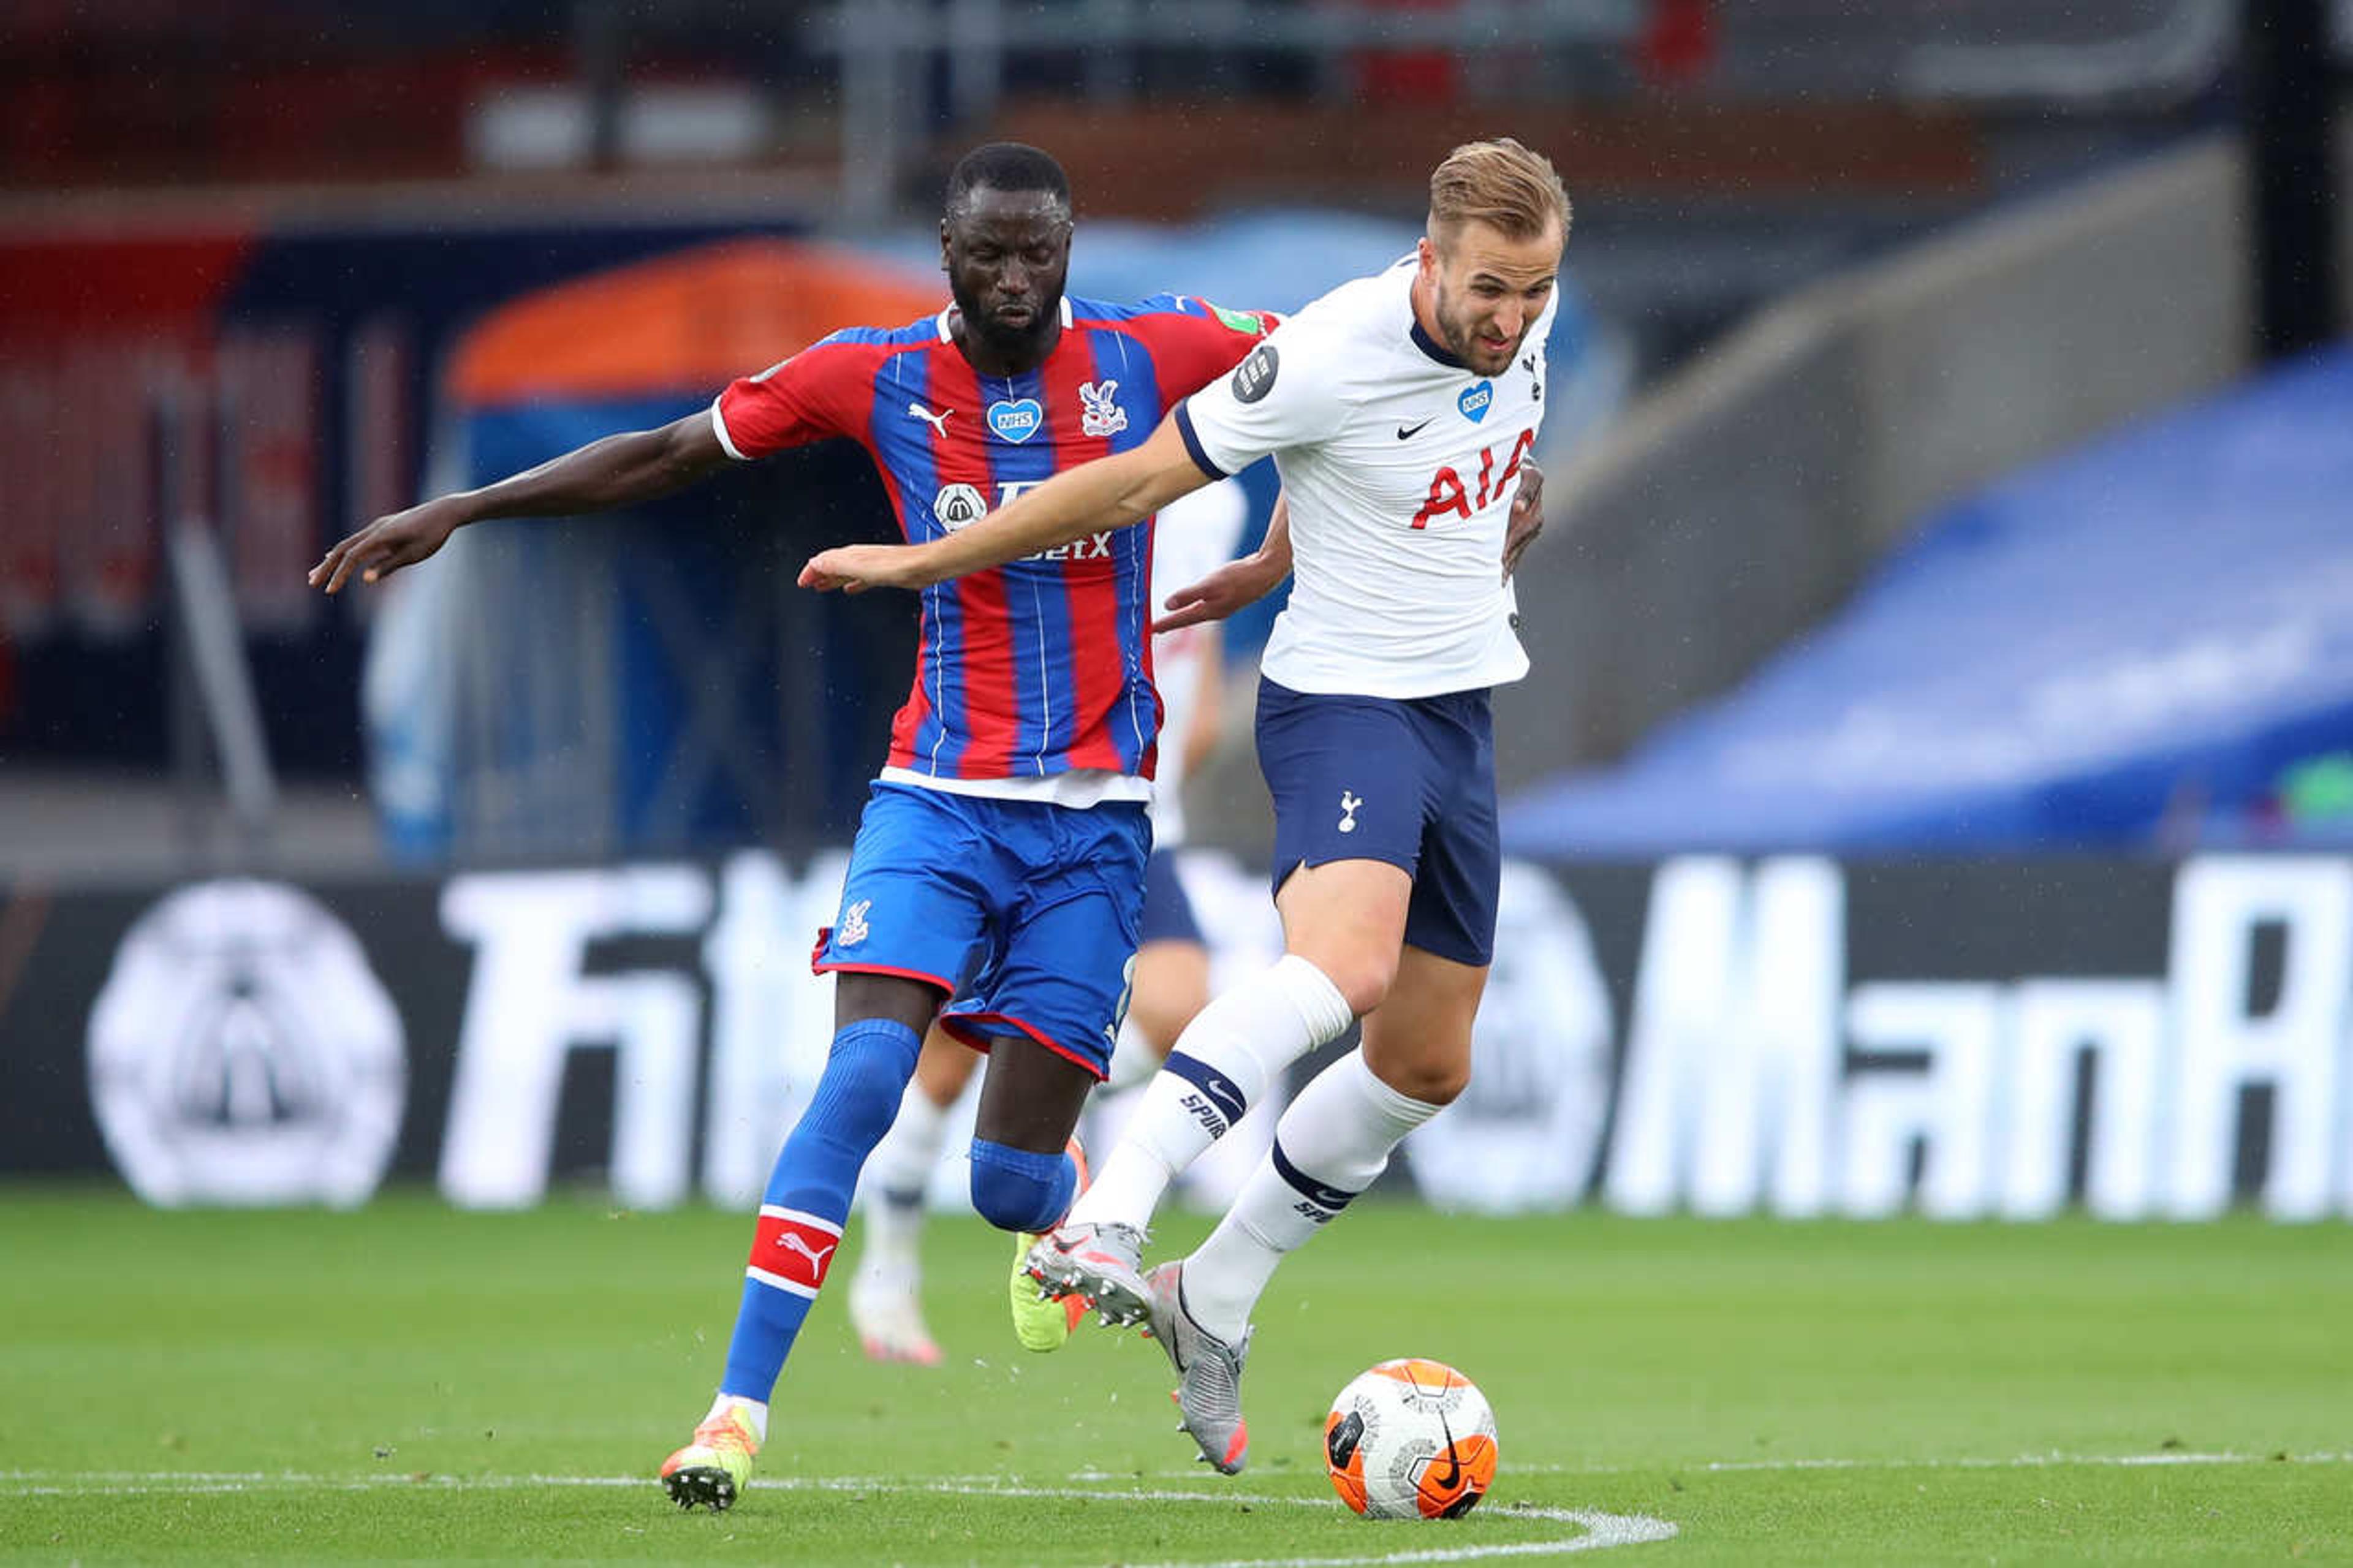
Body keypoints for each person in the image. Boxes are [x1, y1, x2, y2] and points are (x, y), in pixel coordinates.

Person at [308, 142, 1281, 1511]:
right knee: (862, 1085)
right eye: (988, 252)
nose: (1014, 277)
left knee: (1008, 1188)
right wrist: (464, 507)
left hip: (1099, 825)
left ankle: (1047, 1176)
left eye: (1038, 252)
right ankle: (732, 1413)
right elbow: (665, 450)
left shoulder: (1150, 354)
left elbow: (1353, 365)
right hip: (937, 801)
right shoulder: (875, 372)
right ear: (944, 248)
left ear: (1067, 250)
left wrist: (1471, 452)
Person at [800, 136, 1564, 1476]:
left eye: (1534, 292)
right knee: (1343, 966)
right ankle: (1111, 1219)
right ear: (1429, 259)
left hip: (1461, 708)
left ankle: (1213, 1297)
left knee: (1423, 1063)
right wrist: (924, 556)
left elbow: (1417, 464)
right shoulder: (1326, 347)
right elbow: (1137, 479)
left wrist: (1280, 550)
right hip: (1347, 704)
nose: (1510, 319)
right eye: (1490, 290)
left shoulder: (1521, 328)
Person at [846, 477, 1251, 1365]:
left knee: (1186, 1009)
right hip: (1038, 813)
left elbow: (1203, 667)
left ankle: (1040, 1127)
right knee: (945, 1065)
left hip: (1144, 816)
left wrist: (1172, 757)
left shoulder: (1218, 507)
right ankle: (886, 1277)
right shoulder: (1082, 489)